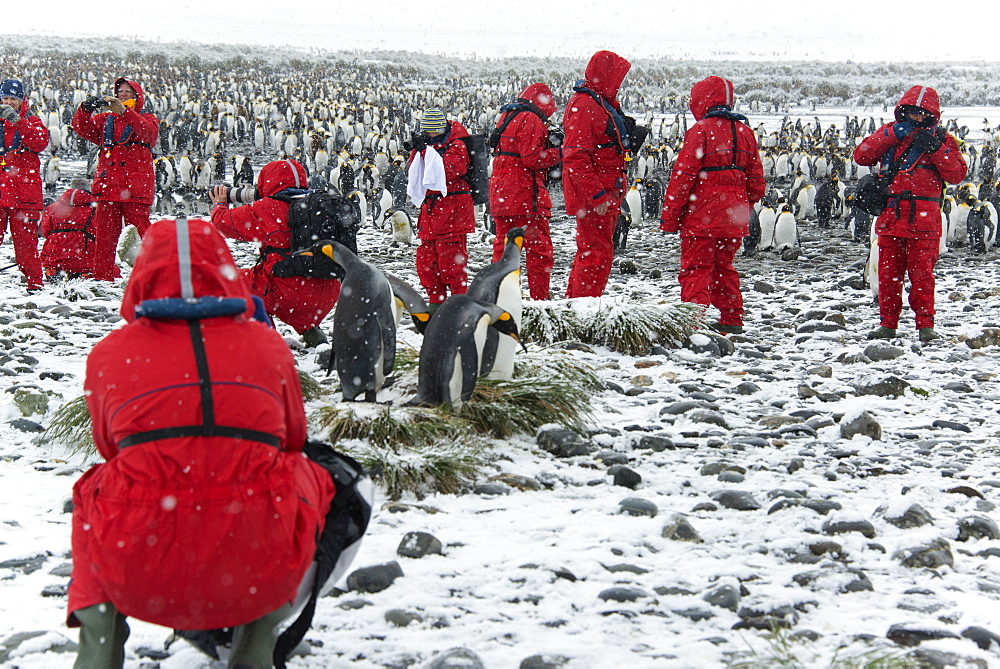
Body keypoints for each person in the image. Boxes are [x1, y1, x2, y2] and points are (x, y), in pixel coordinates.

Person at [68, 217, 336, 669]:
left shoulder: (110, 354)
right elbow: (293, 441)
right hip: (256, 563)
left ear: (141, 275)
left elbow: (109, 449)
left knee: (96, 490)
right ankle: (258, 639)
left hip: (136, 569)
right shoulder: (269, 347)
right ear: (225, 268)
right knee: (321, 478)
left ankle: (99, 645)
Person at [854, 85, 967, 341]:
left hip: (924, 220)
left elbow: (957, 174)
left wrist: (936, 148)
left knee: (922, 277)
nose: (916, 117)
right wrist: (891, 134)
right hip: (891, 217)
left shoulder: (942, 139)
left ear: (932, 115)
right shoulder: (891, 135)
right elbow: (862, 156)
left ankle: (925, 326)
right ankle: (888, 324)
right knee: (887, 275)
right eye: (912, 112)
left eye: (922, 113)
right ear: (902, 111)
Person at [659, 76, 766, 335]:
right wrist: (741, 204)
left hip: (701, 217)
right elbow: (757, 183)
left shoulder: (701, 131)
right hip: (733, 219)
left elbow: (682, 178)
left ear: (702, 100)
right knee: (724, 268)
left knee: (696, 269)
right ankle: (732, 318)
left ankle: (692, 322)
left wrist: (670, 218)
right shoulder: (745, 132)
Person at [209, 158, 340, 346]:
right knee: (298, 277)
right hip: (327, 291)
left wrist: (219, 205)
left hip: (289, 291)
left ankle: (264, 334)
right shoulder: (322, 204)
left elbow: (224, 222)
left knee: (235, 283)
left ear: (267, 181)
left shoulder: (268, 208)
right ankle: (311, 330)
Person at [71, 77, 158, 281]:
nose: (123, 94)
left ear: (138, 96)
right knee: (105, 238)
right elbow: (81, 128)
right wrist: (84, 109)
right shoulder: (105, 120)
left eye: (128, 92)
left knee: (141, 235)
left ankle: (150, 277)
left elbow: (149, 135)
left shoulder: (147, 117)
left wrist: (125, 112)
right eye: (120, 91)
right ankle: (103, 277)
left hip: (135, 190)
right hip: (108, 187)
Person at [562, 50, 632, 298]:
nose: (619, 84)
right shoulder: (587, 105)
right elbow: (576, 156)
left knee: (594, 253)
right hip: (596, 196)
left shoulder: (598, 102)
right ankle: (583, 309)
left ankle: (574, 305)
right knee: (596, 255)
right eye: (616, 78)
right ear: (606, 76)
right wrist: (598, 195)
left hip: (605, 191)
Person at [488, 83, 562, 300]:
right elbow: (532, 158)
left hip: (501, 190)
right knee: (539, 250)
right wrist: (559, 152)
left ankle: (502, 298)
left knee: (505, 247)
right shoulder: (531, 119)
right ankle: (540, 300)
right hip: (524, 194)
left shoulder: (506, 116)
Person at [407, 108, 476, 305]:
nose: (429, 135)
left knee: (451, 263)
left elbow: (449, 170)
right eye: (426, 132)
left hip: (452, 211)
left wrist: (424, 151)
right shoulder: (432, 145)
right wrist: (420, 149)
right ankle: (435, 303)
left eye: (432, 132)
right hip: (431, 212)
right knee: (427, 263)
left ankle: (457, 305)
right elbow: (417, 170)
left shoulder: (457, 144)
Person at [0, 78, 48, 292]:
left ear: (21, 100)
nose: (8, 102)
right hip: (2, 191)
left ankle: (35, 285)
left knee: (26, 245)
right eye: (5, 98)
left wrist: (18, 121)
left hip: (24, 194)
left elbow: (39, 143)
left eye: (13, 99)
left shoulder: (32, 121)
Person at [40, 178, 97, 279]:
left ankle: (54, 272)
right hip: (84, 260)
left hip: (53, 259)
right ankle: (81, 273)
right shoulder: (96, 209)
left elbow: (45, 231)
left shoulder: (53, 207)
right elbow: (100, 235)